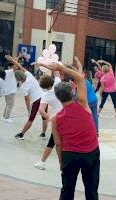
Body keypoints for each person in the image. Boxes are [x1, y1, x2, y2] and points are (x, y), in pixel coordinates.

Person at [43, 63, 100, 200]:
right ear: (72, 92)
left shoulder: (56, 119)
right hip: (90, 153)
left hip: (69, 156)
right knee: (91, 191)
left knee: (67, 191)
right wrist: (61, 68)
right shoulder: (82, 104)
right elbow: (80, 79)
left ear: (58, 98)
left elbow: (57, 143)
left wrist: (61, 162)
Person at [5, 55, 47, 140]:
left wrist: (29, 111)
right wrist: (12, 60)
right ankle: (43, 134)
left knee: (30, 119)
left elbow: (27, 100)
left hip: (36, 100)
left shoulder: (23, 87)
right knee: (44, 116)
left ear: (17, 79)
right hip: (44, 97)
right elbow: (20, 66)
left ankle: (21, 134)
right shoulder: (29, 75)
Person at [34, 73, 63, 170]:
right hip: (69, 114)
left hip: (59, 118)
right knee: (55, 141)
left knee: (54, 141)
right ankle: (43, 162)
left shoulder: (45, 95)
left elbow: (41, 110)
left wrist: (50, 117)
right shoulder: (58, 83)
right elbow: (57, 72)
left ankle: (43, 162)